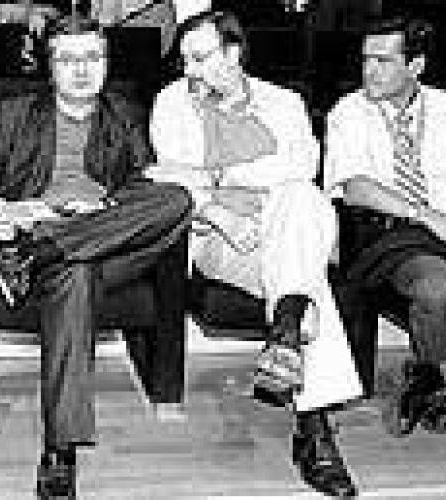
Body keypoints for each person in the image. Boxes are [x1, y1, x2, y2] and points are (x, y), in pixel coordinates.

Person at [0, 14, 192, 499]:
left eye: (92, 57)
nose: (82, 69)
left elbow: (144, 187)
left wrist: (103, 209)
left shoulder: (124, 115)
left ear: (106, 62)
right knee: (75, 273)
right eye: (68, 59)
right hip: (52, 239)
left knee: (176, 199)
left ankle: (41, 255)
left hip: (106, 243)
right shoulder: (15, 114)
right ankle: (60, 449)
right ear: (50, 66)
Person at [148, 10, 363, 498]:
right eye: (184, 60)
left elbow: (303, 167)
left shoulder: (283, 102)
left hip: (289, 224)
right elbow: (175, 181)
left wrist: (220, 175)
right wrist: (228, 201)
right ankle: (310, 418)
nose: (190, 70)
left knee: (300, 199)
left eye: (201, 58)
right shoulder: (173, 103)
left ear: (233, 54)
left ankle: (288, 339)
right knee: (308, 281)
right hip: (224, 236)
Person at [324, 15, 446, 435]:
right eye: (365, 59)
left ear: (416, 65)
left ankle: (443, 388)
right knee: (438, 289)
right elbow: (356, 188)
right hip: (391, 236)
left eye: (383, 61)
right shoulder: (349, 112)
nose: (369, 70)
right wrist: (434, 220)